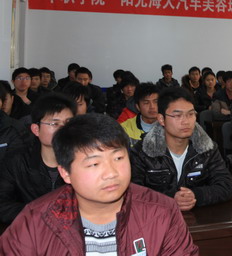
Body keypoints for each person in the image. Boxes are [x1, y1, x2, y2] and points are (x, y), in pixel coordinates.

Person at [0, 113, 199, 255]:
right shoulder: (35, 220)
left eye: (118, 158)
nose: (111, 173)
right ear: (65, 173)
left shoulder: (162, 212)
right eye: (94, 164)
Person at [130, 87, 232, 209]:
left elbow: (226, 186)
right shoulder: (142, 151)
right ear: (161, 119)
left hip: (199, 216)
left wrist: (195, 196)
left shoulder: (207, 148)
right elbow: (133, 192)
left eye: (191, 114)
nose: (186, 121)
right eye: (178, 115)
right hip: (157, 216)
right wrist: (170, 198)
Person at [0, 93, 75, 224]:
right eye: (55, 123)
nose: (63, 130)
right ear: (36, 129)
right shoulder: (16, 161)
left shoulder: (83, 162)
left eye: (68, 123)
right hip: (28, 230)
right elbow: (3, 205)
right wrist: (42, 213)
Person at [121, 83, 159, 147]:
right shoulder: (124, 129)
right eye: (146, 103)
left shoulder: (170, 125)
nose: (152, 107)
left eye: (156, 102)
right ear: (137, 106)